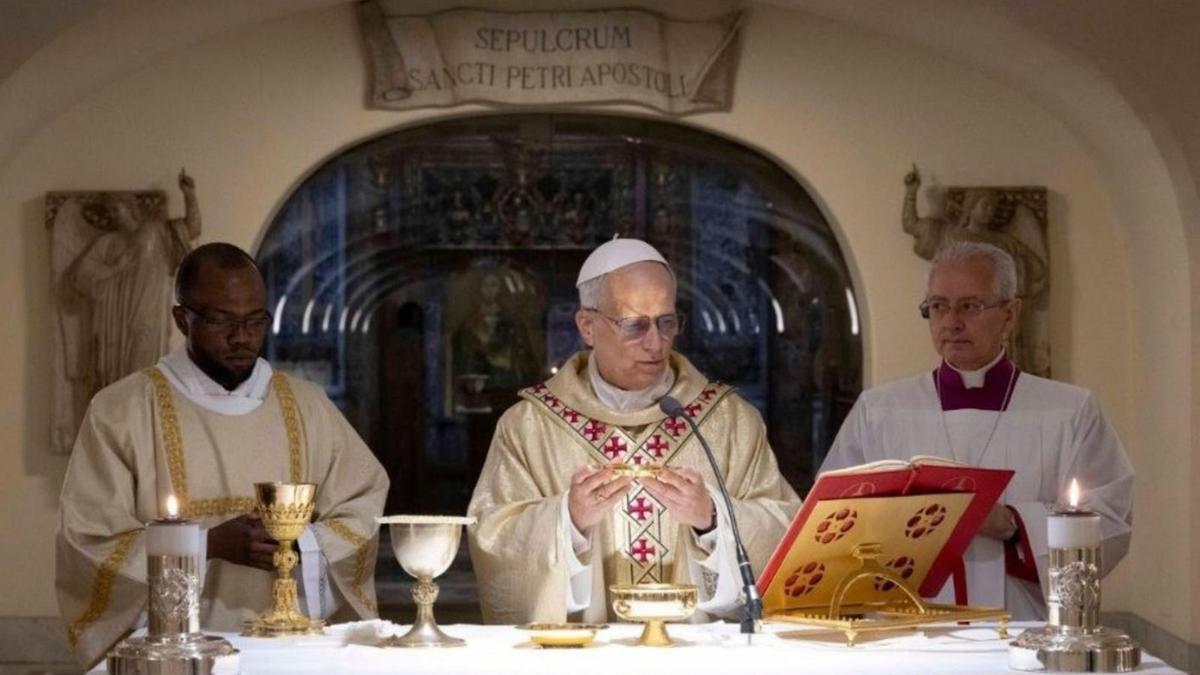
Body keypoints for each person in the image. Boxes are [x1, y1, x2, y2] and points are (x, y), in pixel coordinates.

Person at [56, 243, 389, 667]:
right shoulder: (121, 411)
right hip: (174, 658)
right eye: (221, 321)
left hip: (290, 651)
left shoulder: (308, 407)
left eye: (255, 321)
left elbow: (362, 503)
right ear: (182, 319)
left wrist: (302, 544)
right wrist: (207, 543)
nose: (242, 337)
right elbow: (88, 543)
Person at [468, 238, 801, 624]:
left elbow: (787, 531)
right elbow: (492, 537)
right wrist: (567, 520)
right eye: (634, 325)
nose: (655, 343)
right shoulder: (529, 426)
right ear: (587, 326)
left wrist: (712, 517)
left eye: (666, 322)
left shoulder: (728, 421)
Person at [820, 240, 1132, 619]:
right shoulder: (880, 410)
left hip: (1022, 626)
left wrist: (1014, 524)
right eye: (938, 307)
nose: (951, 322)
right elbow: (832, 516)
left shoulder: (1070, 410)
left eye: (970, 306)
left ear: (1011, 313)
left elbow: (1109, 517)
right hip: (905, 626)